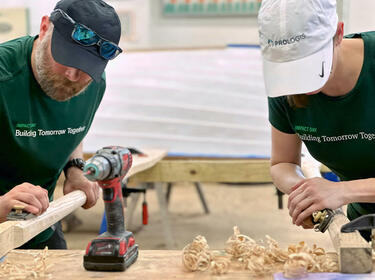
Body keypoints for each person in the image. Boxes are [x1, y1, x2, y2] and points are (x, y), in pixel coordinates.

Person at [0, 0, 122, 249]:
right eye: (66, 58)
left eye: (85, 67)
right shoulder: (4, 77)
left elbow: (73, 127)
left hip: (39, 225)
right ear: (44, 28)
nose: (72, 76)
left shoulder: (93, 84)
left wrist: (76, 169)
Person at [258, 0, 375, 240]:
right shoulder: (285, 88)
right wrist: (307, 193)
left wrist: (342, 191)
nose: (301, 82)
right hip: (363, 224)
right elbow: (282, 164)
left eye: (310, 65)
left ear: (338, 34)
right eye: (291, 70)